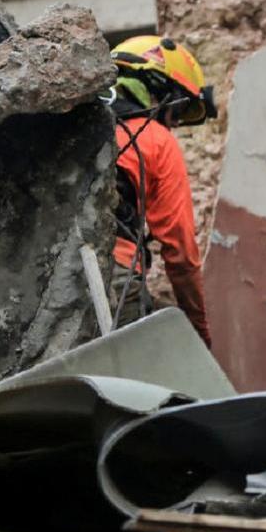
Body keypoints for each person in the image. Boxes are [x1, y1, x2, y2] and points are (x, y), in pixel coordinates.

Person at [105, 36, 217, 346]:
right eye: (177, 113)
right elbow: (179, 252)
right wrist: (199, 332)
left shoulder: (75, 120)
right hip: (114, 278)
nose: (174, 124)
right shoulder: (156, 140)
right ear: (161, 95)